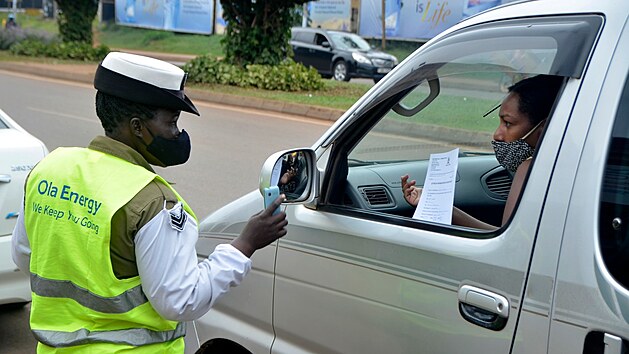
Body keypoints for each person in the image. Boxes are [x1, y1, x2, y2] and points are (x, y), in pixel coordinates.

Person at [11, 52, 288, 353]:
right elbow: (181, 300)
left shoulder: (49, 169)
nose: (177, 134)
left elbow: (25, 256)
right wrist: (244, 245)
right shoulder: (152, 201)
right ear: (137, 127)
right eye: (171, 122)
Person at [401, 74, 563, 230]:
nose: (497, 134)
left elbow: (505, 242)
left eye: (508, 123)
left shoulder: (529, 169)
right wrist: (438, 205)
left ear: (545, 128)